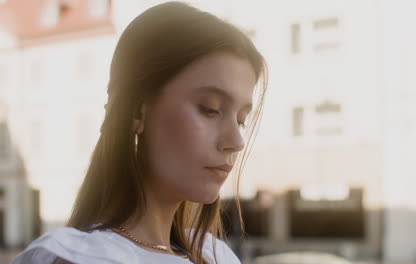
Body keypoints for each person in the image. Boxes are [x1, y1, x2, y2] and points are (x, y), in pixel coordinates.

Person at [12, 1, 267, 263]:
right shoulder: (83, 257)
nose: (236, 142)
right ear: (136, 112)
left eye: (241, 120)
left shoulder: (216, 256)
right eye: (210, 109)